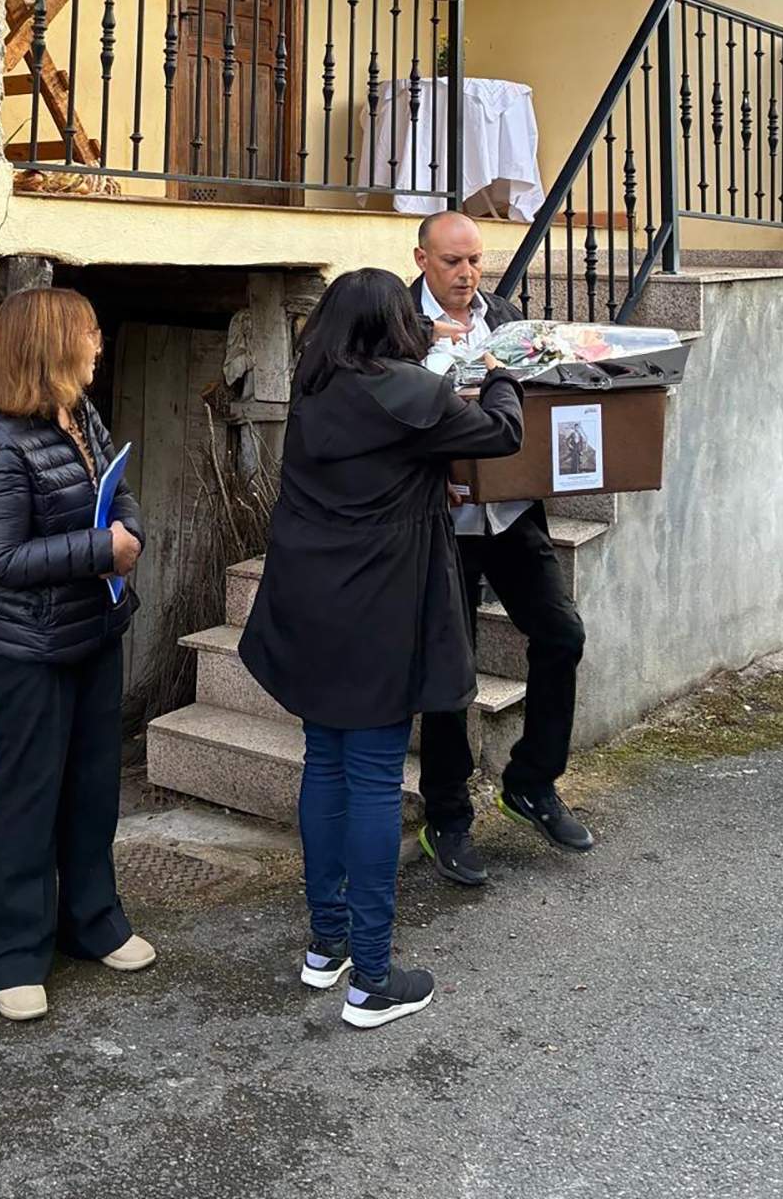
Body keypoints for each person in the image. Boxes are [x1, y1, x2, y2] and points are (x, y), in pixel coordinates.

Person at [239, 268, 522, 1030]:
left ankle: (326, 945)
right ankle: (371, 977)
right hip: (378, 612)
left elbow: (392, 455)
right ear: (395, 325)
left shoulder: (317, 390)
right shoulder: (412, 394)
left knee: (324, 764)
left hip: (310, 605)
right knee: (370, 779)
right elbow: (503, 435)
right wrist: (497, 376)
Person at [0, 286, 153, 1024]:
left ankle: (92, 922)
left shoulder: (81, 413)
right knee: (30, 793)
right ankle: (10, 956)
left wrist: (125, 526)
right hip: (25, 646)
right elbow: (2, 556)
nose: (100, 345)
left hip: (92, 630)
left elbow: (117, 489)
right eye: (91, 334)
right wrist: (104, 548)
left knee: (92, 785)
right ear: (50, 344)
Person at [411, 211, 593, 887]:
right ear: (423, 259)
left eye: (475, 262)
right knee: (449, 672)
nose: (466, 275)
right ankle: (448, 817)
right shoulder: (399, 325)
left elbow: (528, 399)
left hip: (512, 514)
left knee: (561, 635)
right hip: (440, 525)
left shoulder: (506, 316)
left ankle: (531, 783)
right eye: (453, 262)